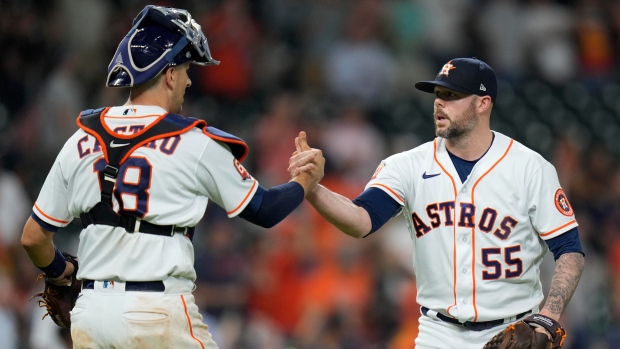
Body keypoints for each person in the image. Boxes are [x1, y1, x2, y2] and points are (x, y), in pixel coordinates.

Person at [20, 5, 324, 349]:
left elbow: (33, 238)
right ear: (168, 74)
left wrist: (61, 274)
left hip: (92, 314)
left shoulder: (81, 138)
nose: (189, 80)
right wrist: (306, 181)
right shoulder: (194, 142)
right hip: (157, 311)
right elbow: (265, 210)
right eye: (186, 69)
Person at [289, 57, 585, 348]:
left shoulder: (529, 167)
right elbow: (361, 220)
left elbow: (570, 250)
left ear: (483, 103)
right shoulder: (407, 165)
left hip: (514, 331)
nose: (439, 102)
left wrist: (549, 315)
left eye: (452, 95)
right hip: (438, 334)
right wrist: (313, 189)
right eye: (438, 94)